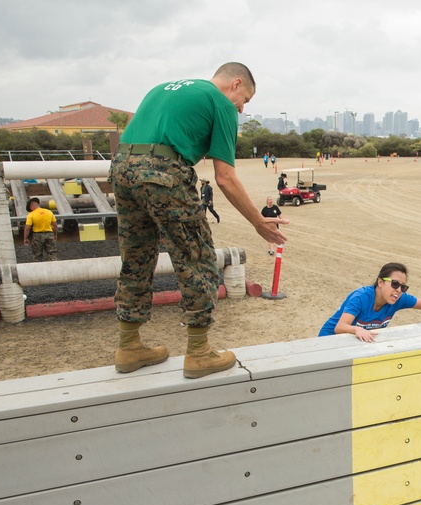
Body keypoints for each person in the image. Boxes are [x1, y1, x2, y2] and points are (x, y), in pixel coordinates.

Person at [110, 62, 288, 379]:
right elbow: (225, 177)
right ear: (235, 84)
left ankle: (129, 345)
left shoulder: (163, 88)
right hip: (163, 171)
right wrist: (258, 221)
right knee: (196, 256)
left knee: (136, 255)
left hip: (121, 168)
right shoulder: (220, 102)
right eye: (245, 99)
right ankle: (199, 351)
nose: (242, 108)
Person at [319, 262, 421, 342]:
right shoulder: (361, 297)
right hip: (328, 341)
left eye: (403, 286)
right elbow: (340, 327)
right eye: (395, 284)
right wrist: (357, 329)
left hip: (353, 342)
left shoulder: (398, 298)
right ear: (380, 282)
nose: (399, 289)